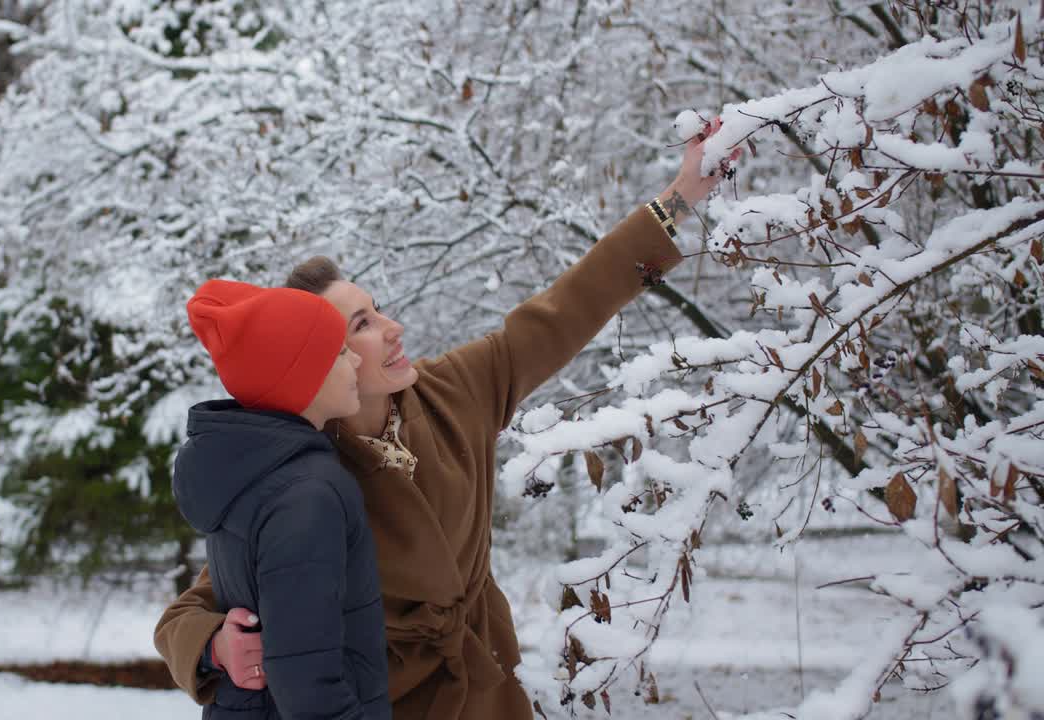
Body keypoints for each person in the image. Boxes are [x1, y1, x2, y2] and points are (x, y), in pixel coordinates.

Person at [156, 119, 740, 719]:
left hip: (488, 688)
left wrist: (681, 195)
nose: (393, 328)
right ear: (314, 358)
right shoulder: (306, 481)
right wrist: (213, 647)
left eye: (378, 309)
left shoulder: (452, 390)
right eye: (359, 326)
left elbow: (568, 306)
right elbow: (195, 607)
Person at [168, 279, 390, 720]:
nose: (356, 359)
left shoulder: (252, 473)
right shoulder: (308, 494)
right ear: (305, 376)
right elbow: (308, 685)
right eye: (340, 353)